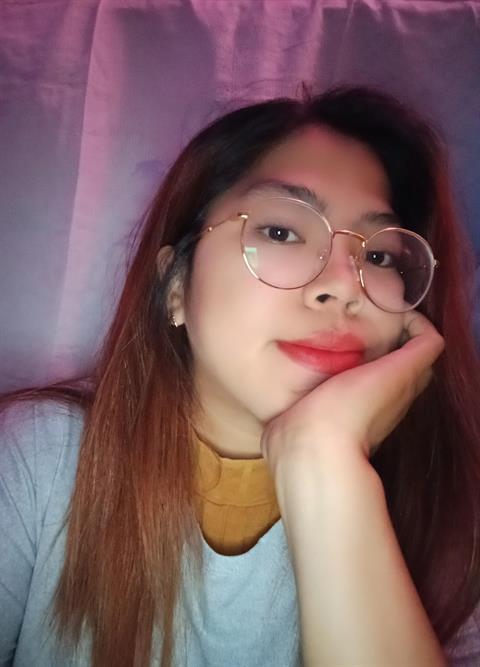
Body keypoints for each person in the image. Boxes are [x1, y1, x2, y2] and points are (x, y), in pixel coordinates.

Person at [1, 85, 479, 667]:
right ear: (176, 286)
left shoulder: (448, 518)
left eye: (379, 257)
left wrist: (323, 461)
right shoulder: (43, 460)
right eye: (281, 232)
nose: (344, 285)